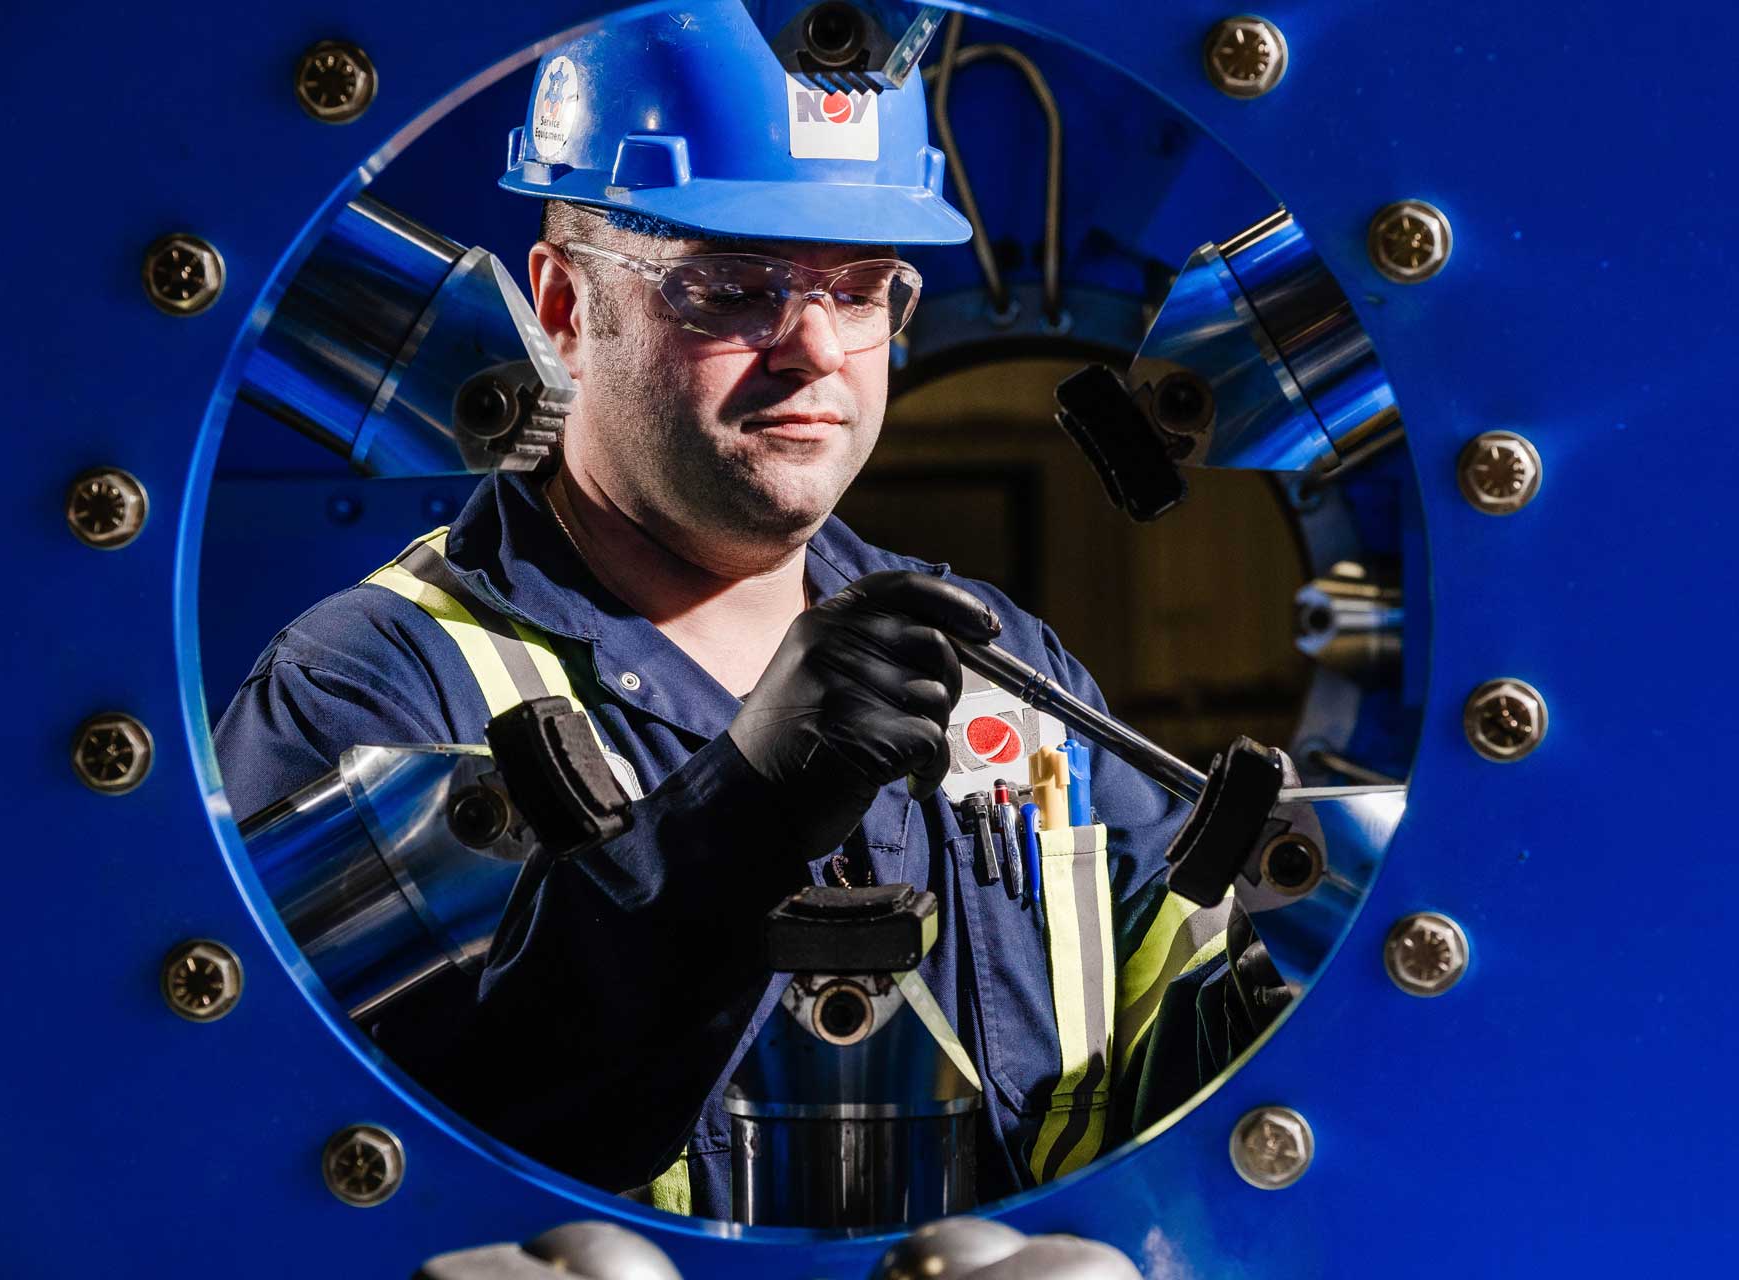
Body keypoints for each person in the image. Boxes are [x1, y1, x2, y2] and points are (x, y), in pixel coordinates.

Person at [214, 1, 1237, 1219]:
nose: (814, 346)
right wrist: (736, 817)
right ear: (562, 305)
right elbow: (350, 1170)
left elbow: (1195, 1088)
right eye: (735, 286)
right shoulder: (370, 688)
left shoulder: (1002, 663)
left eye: (861, 288)